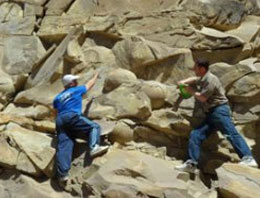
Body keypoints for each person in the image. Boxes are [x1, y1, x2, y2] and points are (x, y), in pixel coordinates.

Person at [175, 60, 258, 173]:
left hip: (219, 110)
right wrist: (183, 81)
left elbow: (202, 98)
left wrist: (191, 90)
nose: (194, 69)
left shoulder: (211, 80)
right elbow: (195, 79)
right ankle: (192, 163)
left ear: (202, 69)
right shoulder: (204, 78)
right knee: (196, 134)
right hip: (211, 114)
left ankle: (248, 157)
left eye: (195, 68)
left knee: (231, 133)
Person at [53, 73, 108, 182]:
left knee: (65, 145)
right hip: (71, 116)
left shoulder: (57, 97)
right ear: (72, 83)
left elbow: (55, 111)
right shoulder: (76, 90)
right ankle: (94, 148)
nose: (77, 82)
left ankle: (63, 175)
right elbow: (89, 85)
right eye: (75, 81)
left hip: (60, 119)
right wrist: (96, 75)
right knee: (94, 127)